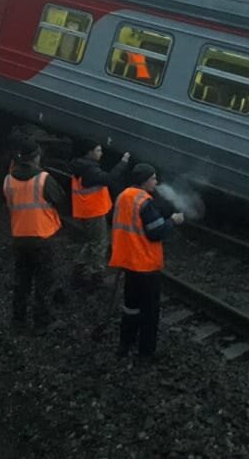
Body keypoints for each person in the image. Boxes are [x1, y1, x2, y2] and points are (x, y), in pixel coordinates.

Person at [108, 163, 183, 362]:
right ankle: (145, 353)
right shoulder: (145, 202)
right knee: (150, 311)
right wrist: (173, 221)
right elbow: (156, 232)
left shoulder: (123, 196)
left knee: (130, 307)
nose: (156, 182)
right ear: (145, 180)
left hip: (128, 261)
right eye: (153, 178)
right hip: (145, 265)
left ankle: (124, 345)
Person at [3, 138, 65, 334]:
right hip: (42, 238)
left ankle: (18, 320)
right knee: (44, 281)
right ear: (37, 157)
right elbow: (60, 199)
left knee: (21, 280)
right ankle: (42, 322)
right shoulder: (44, 179)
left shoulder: (8, 180)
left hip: (20, 238)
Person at [70, 138, 130, 290]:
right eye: (98, 150)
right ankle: (95, 276)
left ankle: (79, 269)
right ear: (89, 153)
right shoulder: (90, 171)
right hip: (93, 212)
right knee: (99, 243)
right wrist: (123, 162)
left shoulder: (81, 166)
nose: (101, 153)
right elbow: (109, 179)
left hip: (85, 210)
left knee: (92, 241)